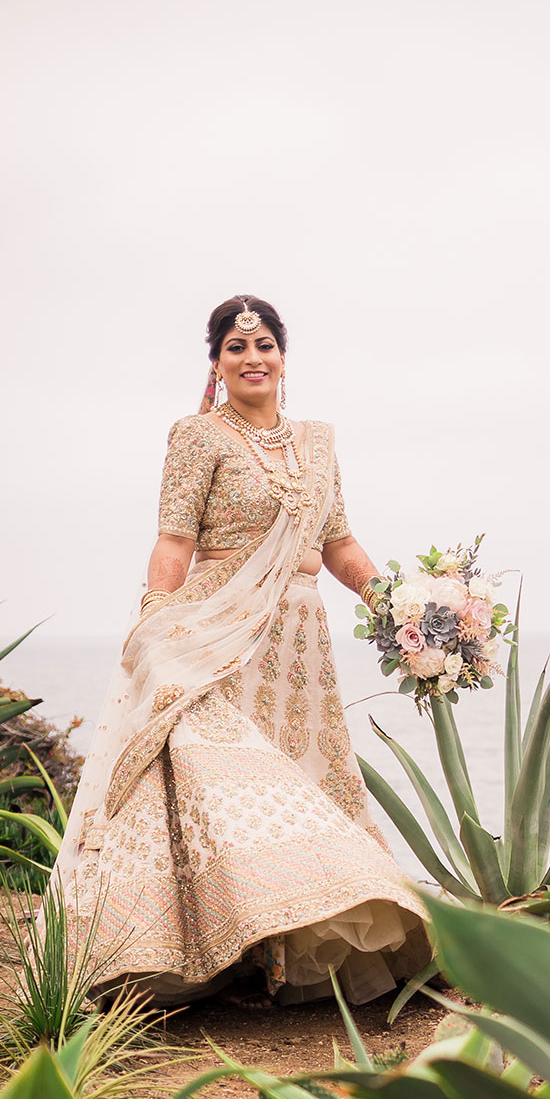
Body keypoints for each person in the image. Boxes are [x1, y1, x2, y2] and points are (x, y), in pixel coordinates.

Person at [50, 294, 430, 1005]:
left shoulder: (318, 441)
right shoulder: (198, 438)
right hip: (218, 632)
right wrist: (156, 622)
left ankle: (280, 962)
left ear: (284, 358)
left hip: (298, 648)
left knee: (305, 780)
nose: (252, 358)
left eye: (264, 346)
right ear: (217, 363)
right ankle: (206, 954)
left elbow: (339, 542)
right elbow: (175, 539)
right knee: (229, 782)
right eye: (235, 347)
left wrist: (396, 609)